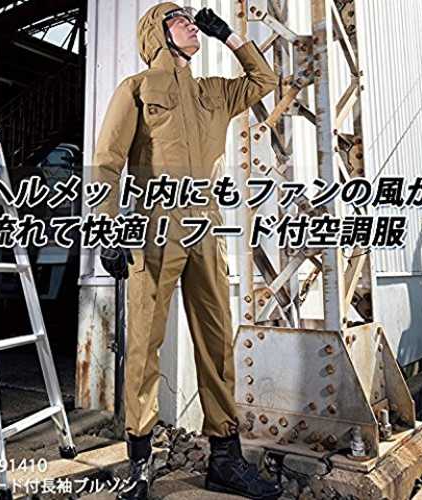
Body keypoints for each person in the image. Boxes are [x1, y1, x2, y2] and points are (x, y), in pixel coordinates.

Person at [92, 3, 281, 499]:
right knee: (144, 345)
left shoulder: (213, 91)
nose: (191, 23)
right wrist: (107, 228)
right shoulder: (137, 89)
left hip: (205, 227)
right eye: (177, 18)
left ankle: (225, 458)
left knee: (217, 340)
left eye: (192, 18)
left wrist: (231, 38)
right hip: (154, 227)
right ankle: (139, 463)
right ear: (156, 33)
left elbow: (264, 80)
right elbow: (107, 162)